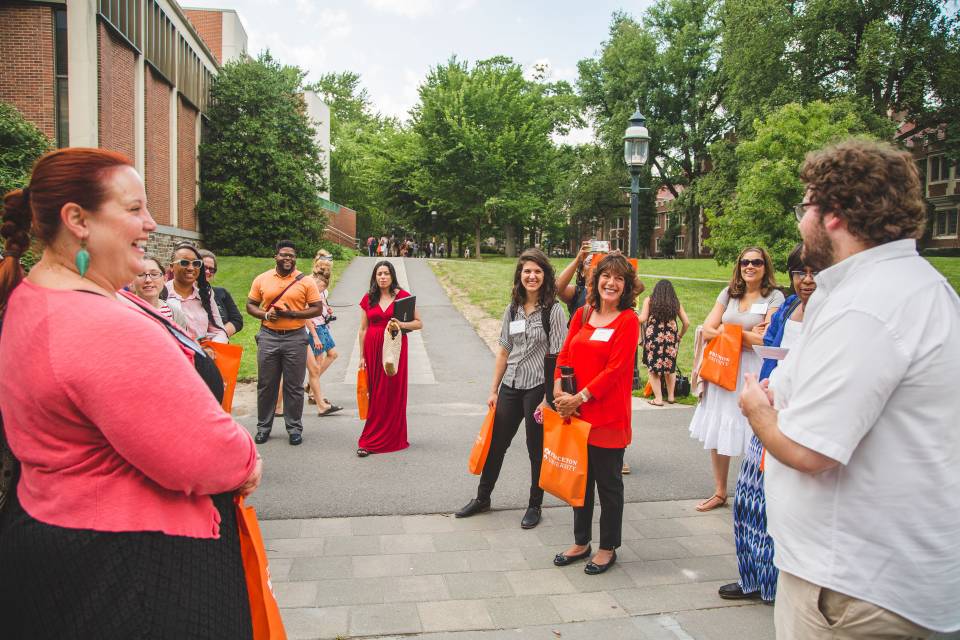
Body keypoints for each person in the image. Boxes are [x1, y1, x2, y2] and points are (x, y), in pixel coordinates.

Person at [0, 148, 261, 637]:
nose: (152, 223)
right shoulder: (97, 324)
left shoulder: (37, 295)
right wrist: (248, 460)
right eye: (134, 208)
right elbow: (203, 455)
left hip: (64, 536)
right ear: (77, 219)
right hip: (133, 571)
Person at [740, 140, 960, 638]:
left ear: (834, 214)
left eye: (806, 207)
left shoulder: (868, 305)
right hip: (869, 578)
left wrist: (759, 412)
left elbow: (811, 450)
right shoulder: (911, 286)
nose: (801, 222)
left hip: (851, 591)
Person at [718, 244, 816, 604]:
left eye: (815, 272)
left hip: (799, 420)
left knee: (778, 505)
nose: (807, 280)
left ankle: (775, 586)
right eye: (800, 272)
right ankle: (752, 577)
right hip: (768, 410)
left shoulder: (831, 314)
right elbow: (769, 351)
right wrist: (763, 384)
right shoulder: (788, 307)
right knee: (748, 500)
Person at [455, 248, 567, 528]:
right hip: (510, 384)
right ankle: (483, 498)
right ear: (520, 275)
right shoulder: (512, 308)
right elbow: (504, 351)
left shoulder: (554, 310)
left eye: (538, 271)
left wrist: (547, 399)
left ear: (546, 275)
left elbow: (559, 356)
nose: (532, 276)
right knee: (496, 444)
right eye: (527, 271)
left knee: (535, 448)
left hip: (538, 388)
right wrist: (493, 390)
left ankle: (534, 505)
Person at [551, 254, 641, 575]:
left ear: (627, 286)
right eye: (606, 276)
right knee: (581, 482)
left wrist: (580, 397)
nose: (611, 283)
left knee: (609, 485)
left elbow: (616, 370)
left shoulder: (628, 320)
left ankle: (607, 547)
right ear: (595, 280)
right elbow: (564, 353)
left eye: (619, 279)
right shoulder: (582, 314)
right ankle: (581, 541)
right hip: (576, 414)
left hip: (607, 417)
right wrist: (560, 391)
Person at [687, 246, 783, 512]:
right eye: (744, 262)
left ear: (765, 267)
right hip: (723, 366)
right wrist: (744, 334)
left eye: (756, 262)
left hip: (752, 370)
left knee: (755, 427)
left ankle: (759, 491)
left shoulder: (774, 296)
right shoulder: (729, 293)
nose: (749, 266)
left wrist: (728, 331)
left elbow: (766, 340)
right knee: (720, 425)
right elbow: (706, 330)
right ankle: (720, 491)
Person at [246, 241, 322, 446]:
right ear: (276, 257)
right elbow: (250, 305)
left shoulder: (306, 282)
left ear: (295, 258)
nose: (287, 258)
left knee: (294, 386)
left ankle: (294, 428)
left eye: (291, 255)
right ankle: (263, 427)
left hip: (296, 337)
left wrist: (293, 314)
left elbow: (317, 308)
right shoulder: (262, 279)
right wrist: (265, 314)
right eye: (283, 255)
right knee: (266, 385)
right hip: (268, 335)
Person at [357, 260, 422, 456]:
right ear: (375, 278)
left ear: (392, 276)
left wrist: (401, 325)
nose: (383, 277)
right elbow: (363, 329)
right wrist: (361, 356)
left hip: (394, 349)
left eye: (386, 273)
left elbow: (418, 323)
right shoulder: (368, 298)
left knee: (392, 391)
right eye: (379, 274)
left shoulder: (403, 297)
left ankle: (393, 436)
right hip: (372, 348)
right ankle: (369, 439)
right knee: (376, 393)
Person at [638, 279, 690, 406]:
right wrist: (679, 335)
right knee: (670, 367)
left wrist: (631, 314)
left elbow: (642, 319)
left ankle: (658, 399)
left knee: (653, 369)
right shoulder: (675, 303)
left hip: (654, 338)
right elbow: (686, 322)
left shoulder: (649, 301)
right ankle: (671, 397)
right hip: (671, 338)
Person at [165, 242, 227, 344]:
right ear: (172, 267)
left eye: (196, 263)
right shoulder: (162, 294)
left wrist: (211, 348)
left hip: (203, 355)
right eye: (184, 262)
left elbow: (218, 330)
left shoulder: (205, 293)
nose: (190, 268)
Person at [305, 254, 341, 416]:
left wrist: (327, 309)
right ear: (316, 265)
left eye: (327, 267)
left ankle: (311, 387)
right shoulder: (311, 283)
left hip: (323, 324)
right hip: (315, 327)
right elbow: (305, 309)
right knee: (318, 361)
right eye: (323, 266)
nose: (325, 269)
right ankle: (314, 393)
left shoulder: (323, 283)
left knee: (332, 354)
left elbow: (322, 300)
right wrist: (314, 334)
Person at [129, 255, 188, 329]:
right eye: (141, 274)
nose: (148, 280)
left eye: (154, 274)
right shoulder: (124, 310)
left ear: (165, 279)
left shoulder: (176, 314)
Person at [199, 249, 244, 338]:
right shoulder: (186, 295)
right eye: (204, 267)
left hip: (218, 345)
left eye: (211, 269)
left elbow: (237, 320)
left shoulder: (221, 293)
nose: (208, 272)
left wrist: (219, 336)